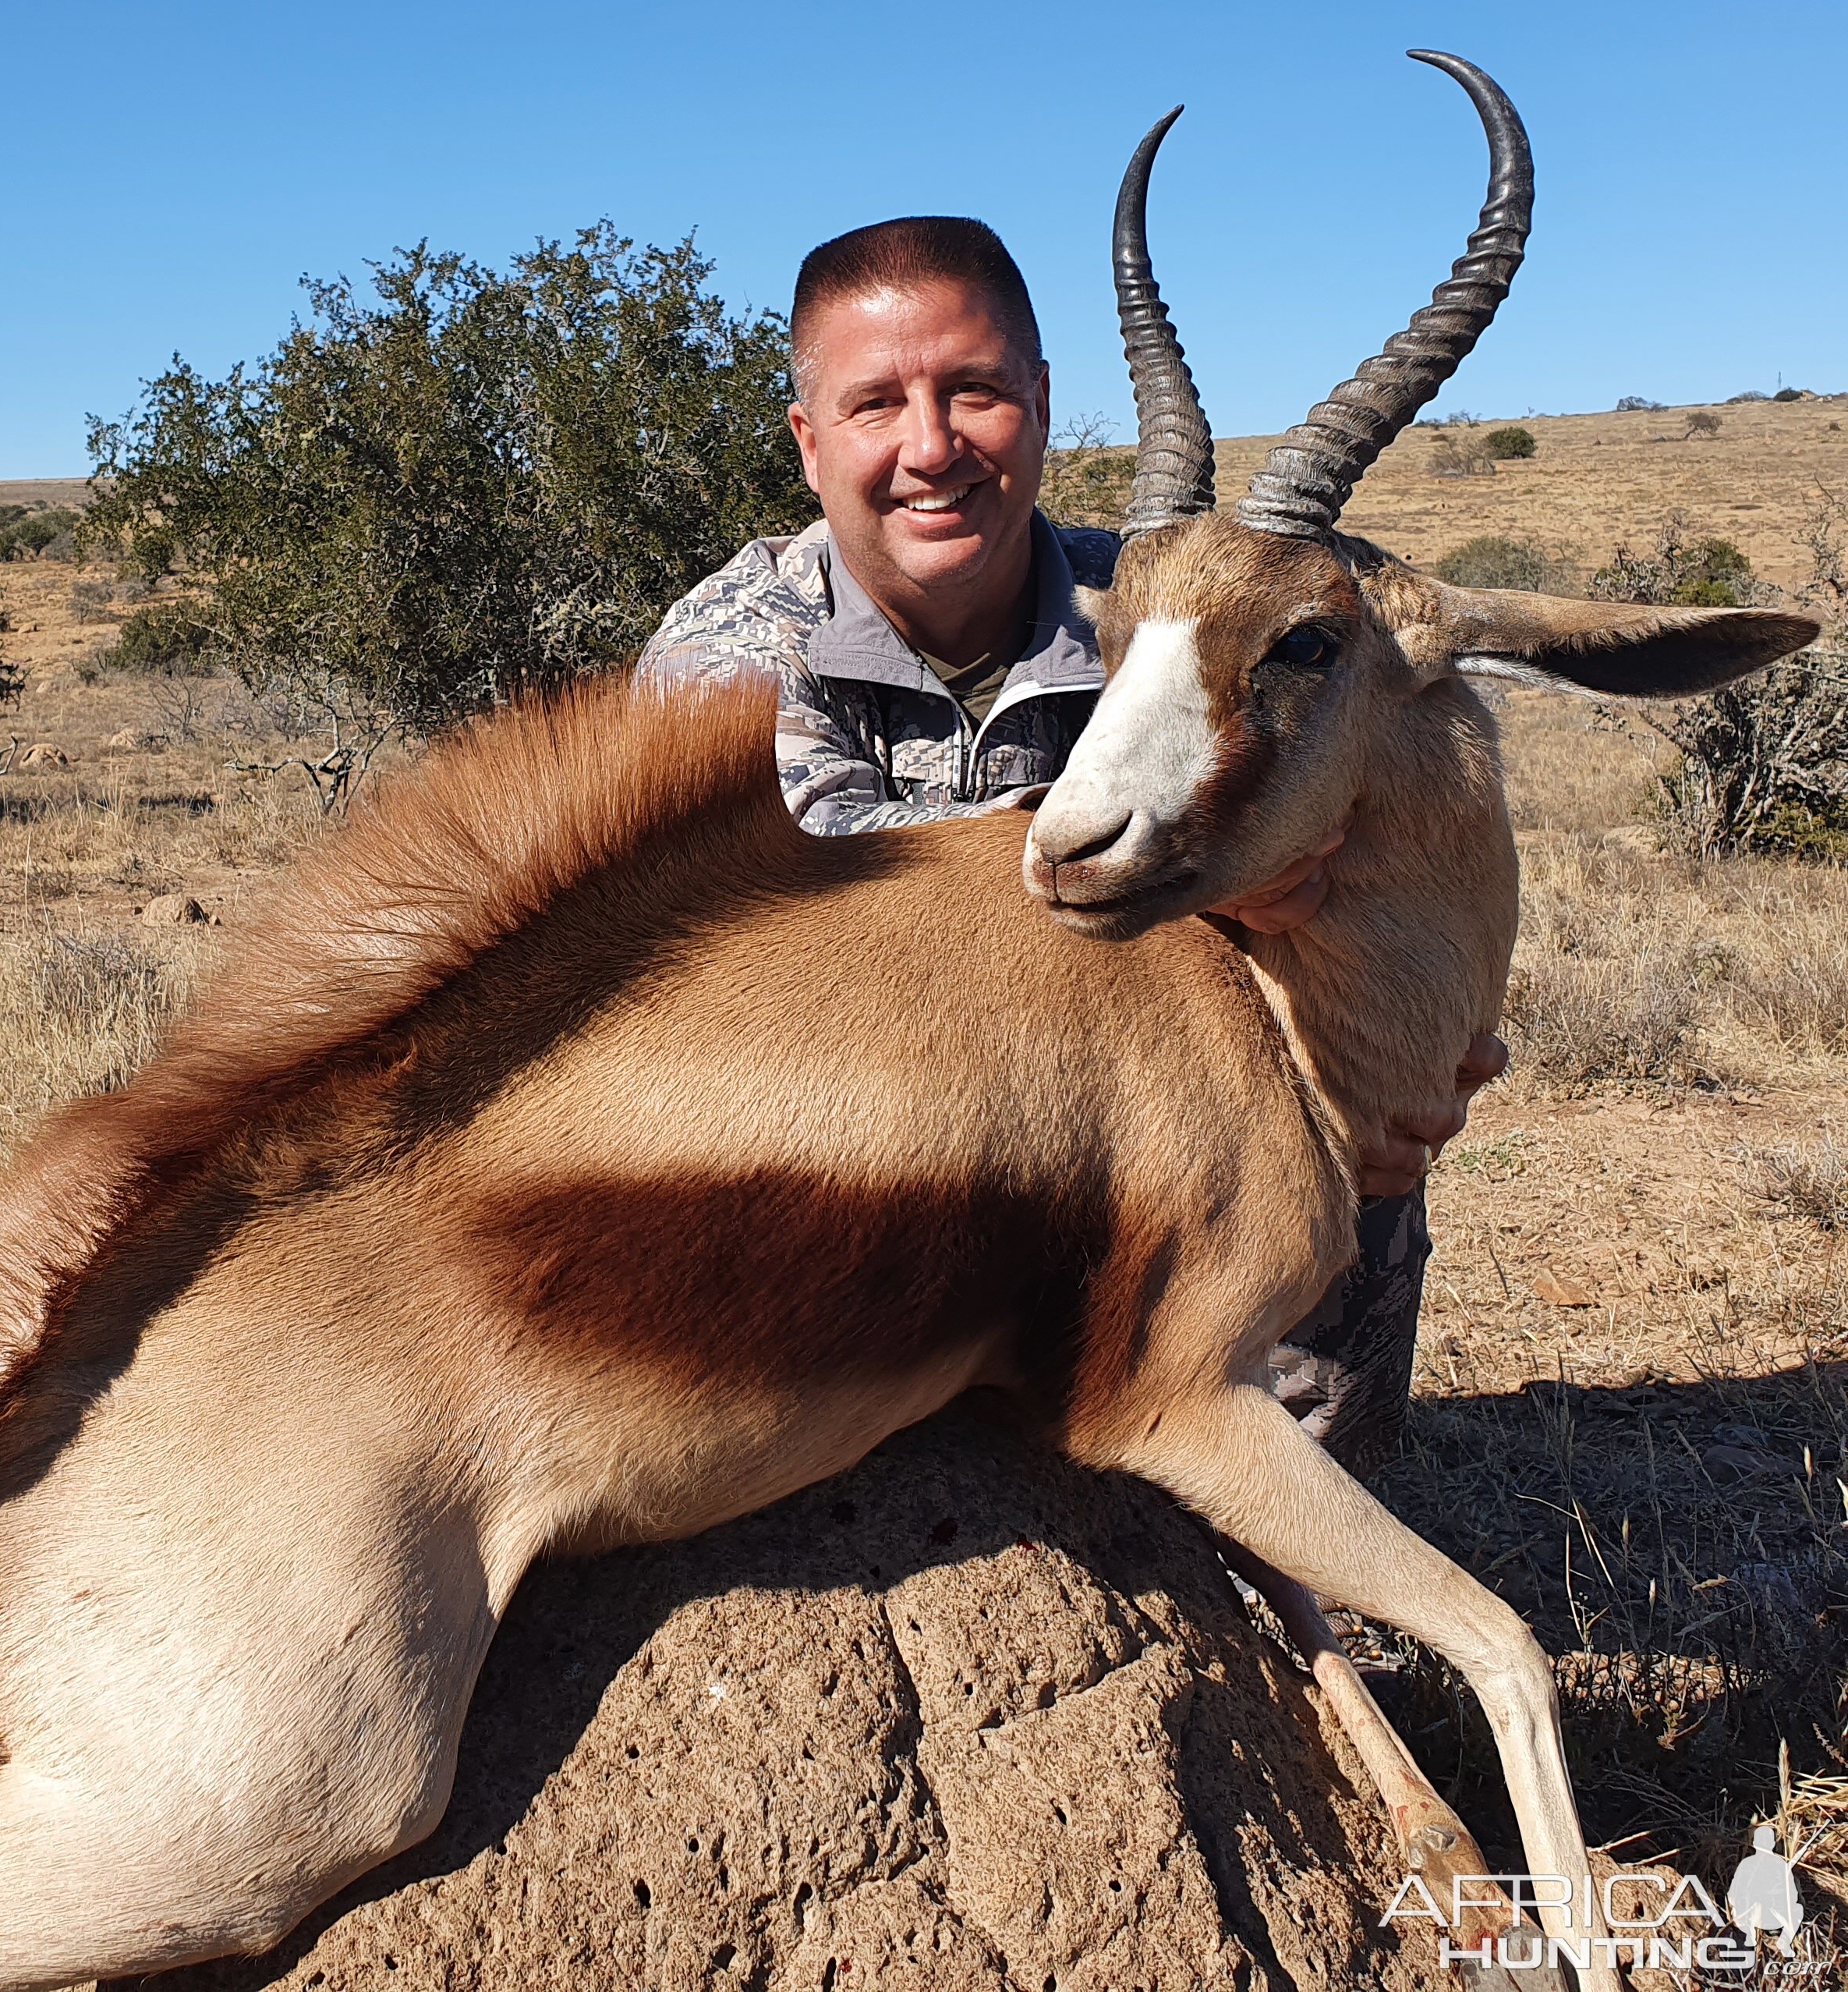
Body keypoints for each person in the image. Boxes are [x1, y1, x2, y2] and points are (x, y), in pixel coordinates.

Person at [635, 214, 1503, 1470]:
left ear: (1041, 405)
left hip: (1148, 1156)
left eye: (975, 391)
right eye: (877, 404)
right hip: (858, 1164)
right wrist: (1218, 884)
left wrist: (1406, 1047)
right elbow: (831, 897)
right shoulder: (727, 646)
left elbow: (1378, 852)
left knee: (1361, 1163)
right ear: (809, 442)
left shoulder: (1170, 599)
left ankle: (1303, 1572)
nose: (931, 448)